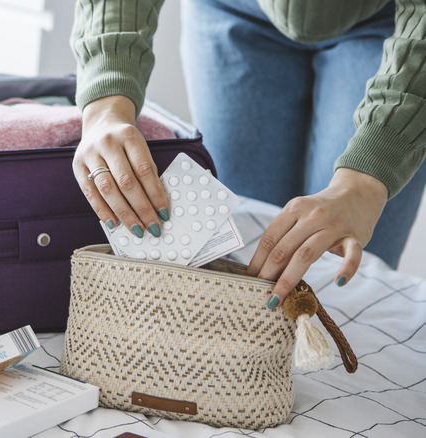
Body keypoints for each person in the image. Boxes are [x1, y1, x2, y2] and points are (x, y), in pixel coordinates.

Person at [70, 0, 426, 309]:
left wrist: (365, 181)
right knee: (244, 261)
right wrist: (106, 101)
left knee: (345, 278)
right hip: (232, 10)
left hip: (393, 24)